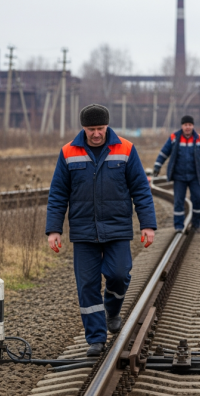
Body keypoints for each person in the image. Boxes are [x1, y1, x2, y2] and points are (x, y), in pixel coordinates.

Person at [45, 104, 158, 357]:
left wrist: (148, 224)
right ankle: (96, 338)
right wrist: (54, 229)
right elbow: (58, 194)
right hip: (84, 231)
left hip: (117, 228)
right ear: (83, 128)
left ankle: (113, 308)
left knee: (119, 274)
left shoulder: (126, 149)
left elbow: (141, 188)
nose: (96, 133)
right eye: (91, 129)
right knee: (87, 285)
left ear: (107, 126)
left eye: (100, 128)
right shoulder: (68, 152)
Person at [152, 116, 200, 231]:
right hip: (179, 176)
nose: (188, 127)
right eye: (185, 125)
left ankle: (196, 224)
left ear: (193, 126)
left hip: (196, 176)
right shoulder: (174, 138)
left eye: (190, 125)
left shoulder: (199, 139)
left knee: (197, 199)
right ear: (182, 126)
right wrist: (157, 165)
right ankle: (178, 226)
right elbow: (164, 152)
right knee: (178, 201)